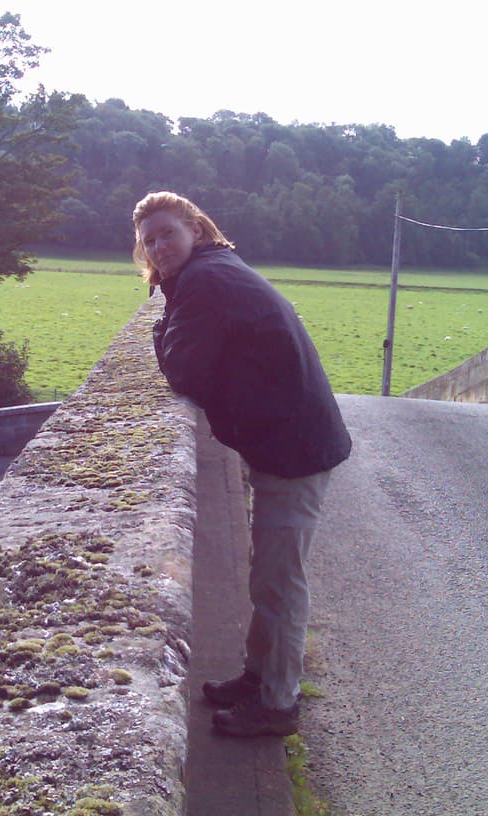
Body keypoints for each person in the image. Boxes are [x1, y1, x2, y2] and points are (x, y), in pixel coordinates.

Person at [133, 190, 352, 738]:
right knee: (269, 575)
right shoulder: (211, 270)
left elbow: (182, 370)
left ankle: (278, 705)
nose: (158, 247)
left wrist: (160, 331)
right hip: (286, 439)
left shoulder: (205, 280)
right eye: (148, 240)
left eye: (167, 234)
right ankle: (260, 678)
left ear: (196, 230)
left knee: (280, 581)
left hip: (294, 446)